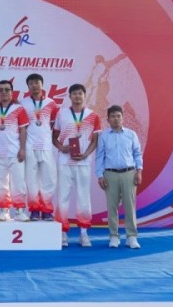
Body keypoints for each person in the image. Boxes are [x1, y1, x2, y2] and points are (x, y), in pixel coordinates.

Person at [52, 84, 100, 247]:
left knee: (83, 197)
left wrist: (86, 154)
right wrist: (61, 147)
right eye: (74, 94)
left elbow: (95, 140)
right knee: (63, 197)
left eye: (80, 94)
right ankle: (62, 232)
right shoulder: (62, 114)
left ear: (84, 96)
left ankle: (84, 233)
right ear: (70, 96)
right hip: (64, 162)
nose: (77, 96)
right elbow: (54, 137)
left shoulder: (93, 115)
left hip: (83, 162)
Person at [95, 105, 143, 249]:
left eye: (118, 116)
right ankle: (114, 236)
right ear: (108, 119)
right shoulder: (104, 136)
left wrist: (139, 171)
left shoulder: (131, 134)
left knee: (129, 206)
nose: (116, 119)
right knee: (112, 207)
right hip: (110, 174)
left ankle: (131, 237)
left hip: (129, 173)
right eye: (113, 116)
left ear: (123, 118)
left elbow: (137, 153)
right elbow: (99, 157)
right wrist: (100, 175)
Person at [20, 73, 58, 221]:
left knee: (48, 180)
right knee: (31, 180)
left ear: (42, 84)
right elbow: (22, 126)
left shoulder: (51, 103)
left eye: (37, 82)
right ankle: (34, 210)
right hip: (30, 146)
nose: (34, 85)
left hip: (46, 147)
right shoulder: (23, 103)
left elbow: (53, 125)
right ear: (28, 86)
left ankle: (47, 210)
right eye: (31, 83)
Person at [0, 80, 30, 222]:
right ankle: (4, 210)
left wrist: (22, 149)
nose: (4, 92)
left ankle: (19, 211)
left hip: (15, 151)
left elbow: (23, 130)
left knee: (18, 183)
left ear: (12, 92)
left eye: (7, 89)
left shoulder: (19, 109)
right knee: (0, 183)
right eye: (1, 90)